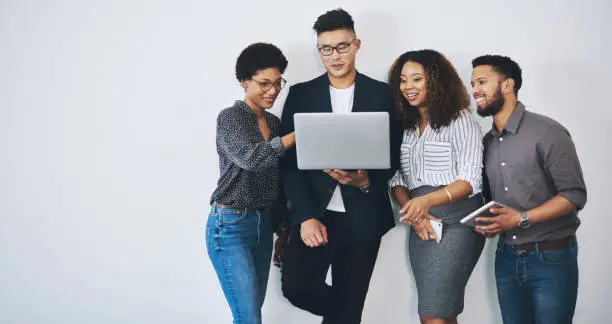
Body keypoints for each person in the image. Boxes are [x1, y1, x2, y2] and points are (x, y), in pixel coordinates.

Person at [278, 8, 402, 324]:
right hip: (316, 215)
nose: (335, 56)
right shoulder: (301, 94)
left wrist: (364, 179)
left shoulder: (384, 94)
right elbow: (289, 165)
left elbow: (395, 153)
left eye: (342, 46)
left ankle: (347, 314)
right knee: (297, 287)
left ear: (357, 45)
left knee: (347, 313)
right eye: (326, 49)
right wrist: (304, 216)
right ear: (319, 50)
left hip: (364, 217)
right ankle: (347, 312)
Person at [471, 55, 587, 324]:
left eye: (482, 82)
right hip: (507, 257)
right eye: (473, 83)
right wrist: (490, 223)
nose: (475, 89)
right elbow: (494, 200)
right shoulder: (486, 142)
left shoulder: (547, 132)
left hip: (550, 258)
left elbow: (574, 194)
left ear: (507, 85)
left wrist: (520, 219)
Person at [388, 49, 485, 324]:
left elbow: (470, 180)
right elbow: (396, 178)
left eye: (417, 79)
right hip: (420, 223)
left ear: (436, 81)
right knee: (435, 312)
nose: (408, 87)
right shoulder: (404, 125)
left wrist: (426, 202)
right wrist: (414, 211)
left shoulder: (460, 118)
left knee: (435, 314)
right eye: (403, 80)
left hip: (458, 221)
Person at [206, 42, 295, 324]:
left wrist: (282, 227)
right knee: (248, 318)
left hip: (263, 225)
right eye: (264, 83)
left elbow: (276, 179)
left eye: (278, 83)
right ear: (245, 82)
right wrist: (297, 135)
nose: (273, 91)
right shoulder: (231, 118)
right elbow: (252, 158)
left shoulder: (274, 122)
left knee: (249, 315)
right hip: (230, 225)